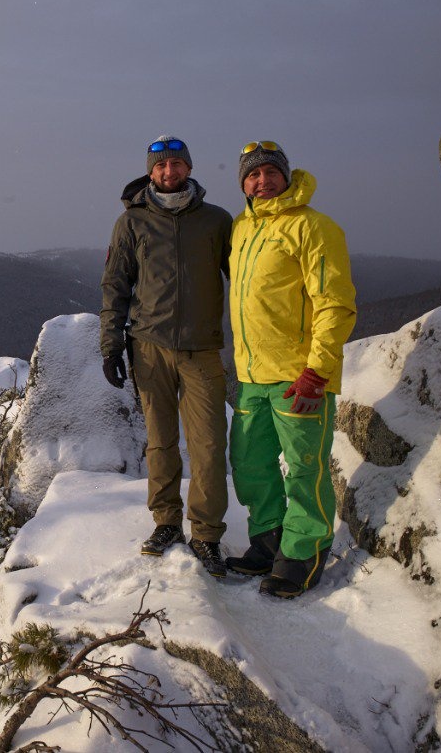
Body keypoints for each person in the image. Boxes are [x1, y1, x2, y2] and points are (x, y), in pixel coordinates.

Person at [225, 141, 357, 598]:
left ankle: (303, 553)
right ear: (243, 182)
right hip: (250, 376)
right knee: (249, 464)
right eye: (252, 175)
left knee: (304, 467)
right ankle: (268, 541)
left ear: (285, 174)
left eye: (269, 172)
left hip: (298, 375)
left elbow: (335, 305)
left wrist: (317, 372)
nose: (262, 181)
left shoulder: (314, 227)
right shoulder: (242, 229)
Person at [100, 135, 234, 576]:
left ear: (189, 169)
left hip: (202, 349)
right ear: (150, 172)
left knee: (210, 446)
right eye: (160, 166)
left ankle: (208, 534)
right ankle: (166, 522)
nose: (169, 172)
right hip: (149, 347)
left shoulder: (216, 221)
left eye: (176, 164)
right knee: (160, 441)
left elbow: (245, 280)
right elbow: (115, 285)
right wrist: (112, 344)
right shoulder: (132, 222)